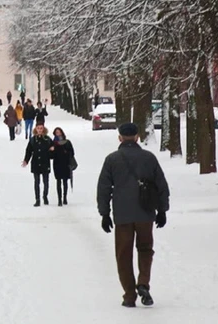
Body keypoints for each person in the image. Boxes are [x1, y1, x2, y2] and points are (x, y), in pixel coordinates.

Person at [97, 122, 170, 309]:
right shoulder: (149, 158)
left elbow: (104, 189)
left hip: (122, 215)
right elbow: (161, 186)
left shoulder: (112, 159)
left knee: (124, 254)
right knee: (145, 249)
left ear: (119, 137)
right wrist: (162, 210)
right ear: (137, 137)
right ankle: (143, 283)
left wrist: (105, 214)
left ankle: (130, 295)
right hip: (146, 213)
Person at [22, 124, 54, 206]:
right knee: (36, 182)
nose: (40, 130)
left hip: (45, 163)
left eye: (41, 128)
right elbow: (28, 151)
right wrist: (26, 160)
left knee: (46, 182)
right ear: (36, 129)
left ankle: (45, 196)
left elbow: (53, 151)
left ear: (44, 129)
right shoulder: (32, 140)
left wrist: (52, 151)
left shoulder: (48, 139)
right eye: (38, 128)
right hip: (35, 163)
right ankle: (37, 199)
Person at [50, 127, 74, 206]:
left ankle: (65, 198)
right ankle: (59, 199)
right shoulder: (53, 143)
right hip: (57, 164)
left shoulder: (67, 142)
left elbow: (72, 153)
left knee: (65, 181)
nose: (58, 134)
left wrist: (66, 152)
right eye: (56, 132)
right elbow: (51, 156)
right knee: (58, 181)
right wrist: (52, 150)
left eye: (59, 132)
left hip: (65, 163)